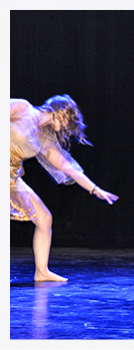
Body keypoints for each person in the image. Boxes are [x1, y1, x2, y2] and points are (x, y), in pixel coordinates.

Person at [10, 95, 119, 282]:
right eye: (70, 120)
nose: (68, 128)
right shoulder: (23, 108)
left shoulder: (44, 139)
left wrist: (96, 189)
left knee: (44, 219)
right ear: (61, 111)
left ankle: (42, 271)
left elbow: (69, 169)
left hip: (10, 179)